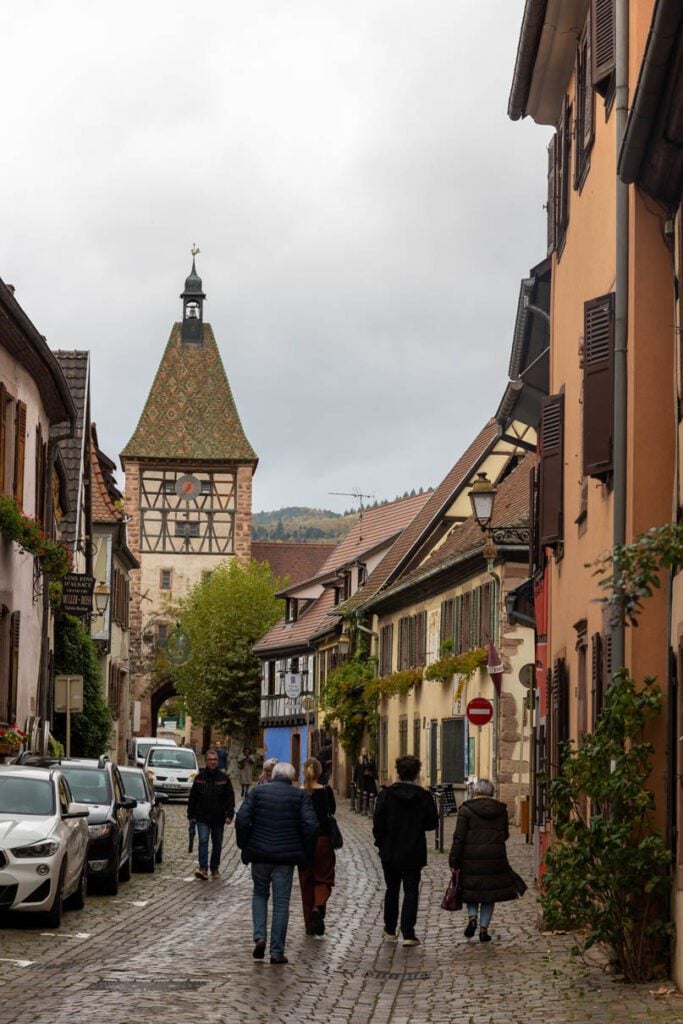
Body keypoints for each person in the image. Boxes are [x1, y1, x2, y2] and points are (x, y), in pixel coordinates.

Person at [236, 761, 318, 965]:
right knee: (281, 903)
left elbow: (242, 819)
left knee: (260, 893)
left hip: (260, 854)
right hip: (285, 857)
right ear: (291, 778)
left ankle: (259, 936)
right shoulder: (300, 796)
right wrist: (305, 853)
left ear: (273, 775)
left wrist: (245, 845)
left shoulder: (257, 792)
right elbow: (310, 825)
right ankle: (276, 951)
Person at [372, 754, 438, 946]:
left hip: (390, 850)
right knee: (411, 891)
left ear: (398, 772)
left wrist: (381, 843)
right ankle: (408, 933)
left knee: (392, 889)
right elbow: (432, 823)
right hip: (413, 850)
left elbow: (378, 823)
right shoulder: (423, 796)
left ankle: (390, 929)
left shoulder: (386, 795)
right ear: (416, 773)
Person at [448, 778, 520, 943]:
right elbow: (505, 834)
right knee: (489, 894)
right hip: (495, 858)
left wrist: (454, 859)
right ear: (491, 792)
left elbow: (459, 837)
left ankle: (472, 918)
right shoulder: (501, 811)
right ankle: (483, 930)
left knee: (472, 891)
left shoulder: (465, 810)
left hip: (471, 857)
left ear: (475, 791)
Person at [297, 757, 336, 936]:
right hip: (323, 841)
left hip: (304, 842)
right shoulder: (326, 791)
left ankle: (309, 925)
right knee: (324, 877)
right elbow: (332, 811)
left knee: (306, 881)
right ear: (320, 772)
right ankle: (318, 907)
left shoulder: (300, 793)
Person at [187, 747, 235, 880]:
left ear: (218, 761)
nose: (213, 762)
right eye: (210, 760)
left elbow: (230, 798)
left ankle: (214, 867)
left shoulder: (224, 778)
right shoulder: (199, 778)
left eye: (215, 760)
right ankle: (203, 868)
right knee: (203, 840)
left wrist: (229, 815)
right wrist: (190, 816)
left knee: (217, 843)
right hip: (202, 816)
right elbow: (193, 798)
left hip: (218, 817)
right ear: (206, 761)